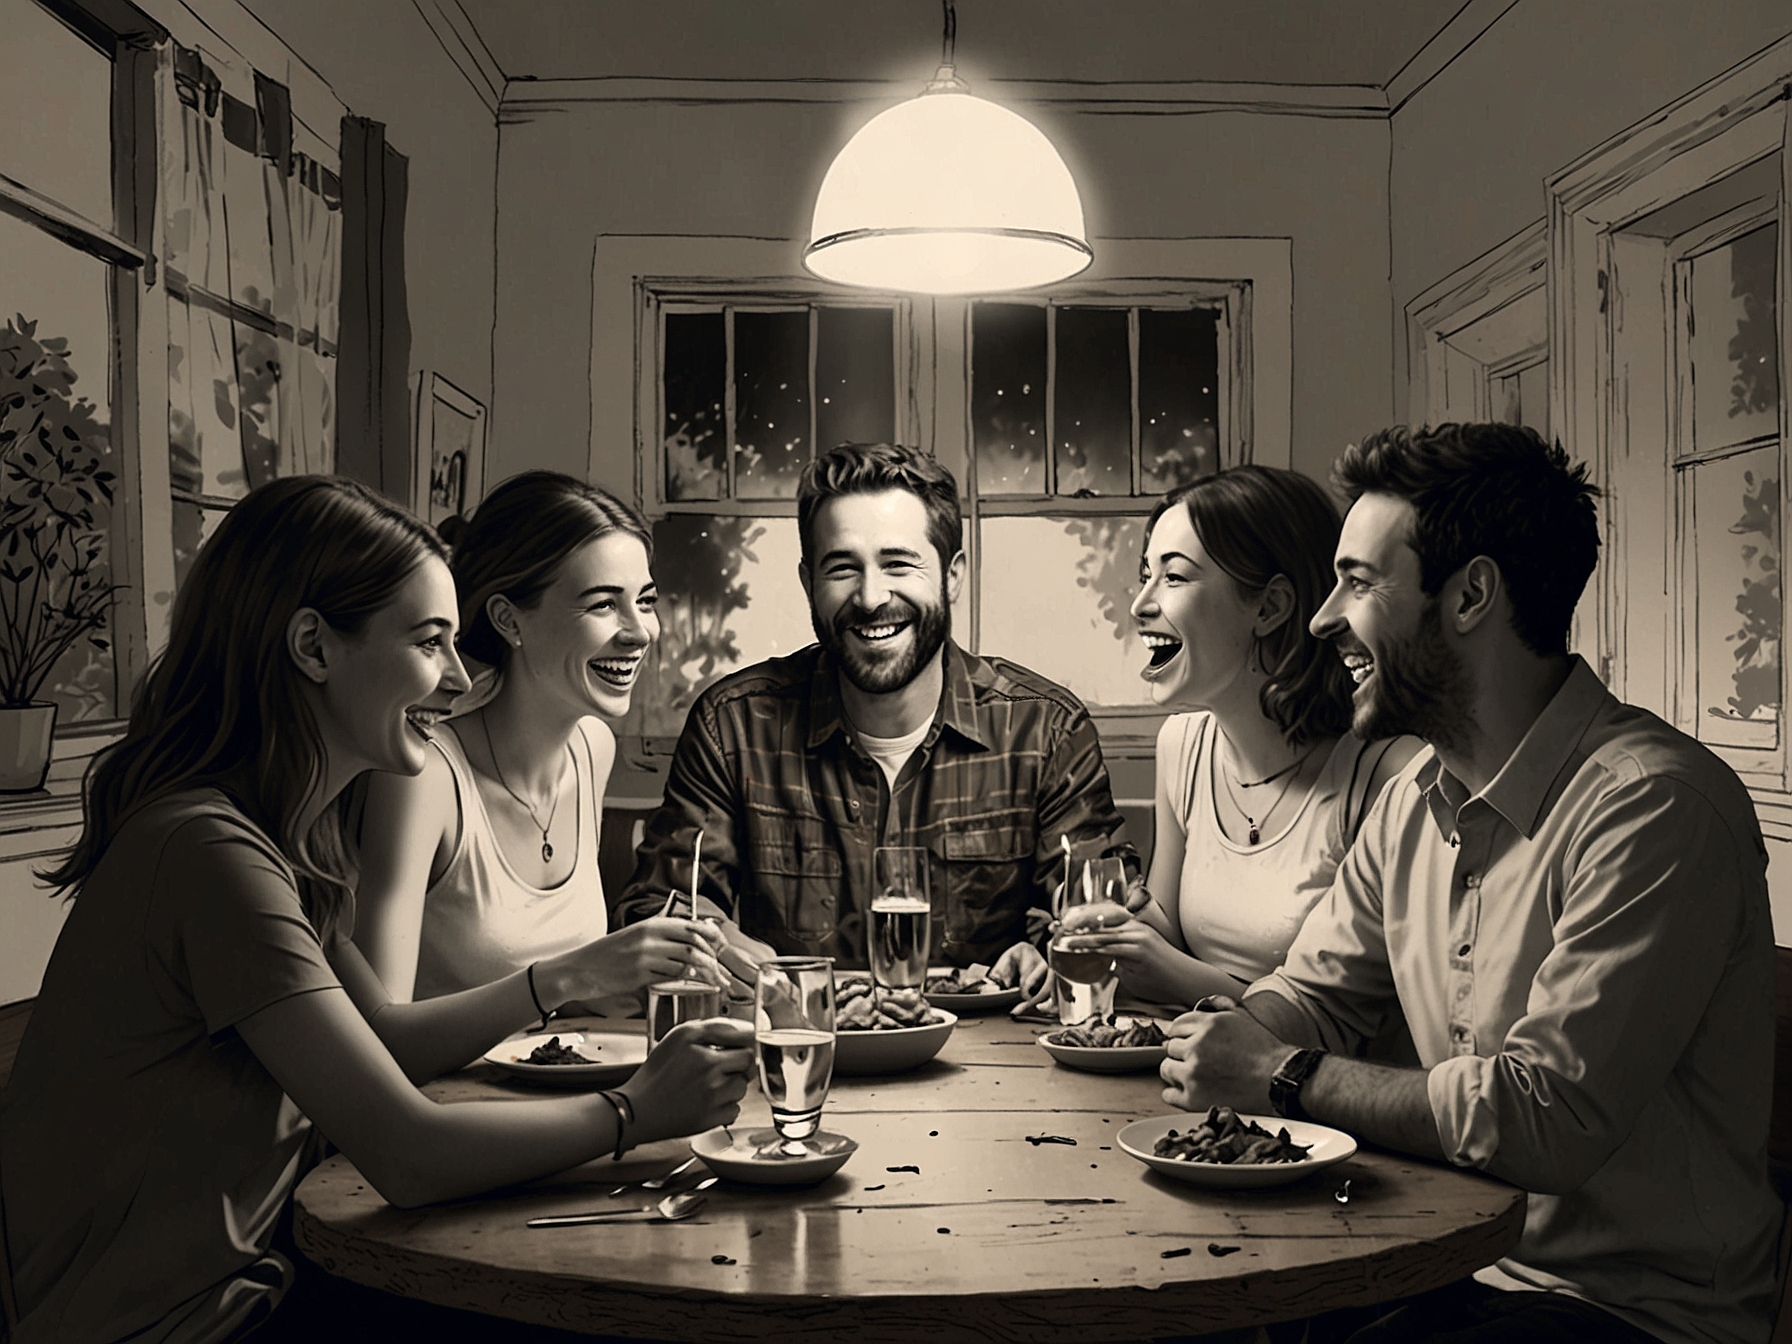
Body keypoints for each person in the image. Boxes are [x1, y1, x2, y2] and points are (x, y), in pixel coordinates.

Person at [0, 477, 753, 1344]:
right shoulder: (209, 856)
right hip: (189, 1320)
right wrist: (638, 1112)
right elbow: (408, 1156)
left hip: (276, 1274)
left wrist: (576, 992)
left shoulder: (280, 845)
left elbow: (383, 1039)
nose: (460, 677)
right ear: (314, 647)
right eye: (431, 642)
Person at [1159, 424, 1780, 1344]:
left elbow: (1544, 1118)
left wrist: (1281, 1073)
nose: (1325, 619)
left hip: (1625, 1312)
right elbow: (1312, 994)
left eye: (1360, 584)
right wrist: (1216, 1042)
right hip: (1446, 1260)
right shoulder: (1415, 795)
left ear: (1470, 596)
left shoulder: (1653, 808)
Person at [615, 442, 1137, 998]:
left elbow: (1100, 913)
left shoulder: (1045, 731)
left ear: (952, 575)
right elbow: (659, 908)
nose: (869, 597)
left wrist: (1044, 947)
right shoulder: (733, 727)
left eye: (898, 564)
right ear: (807, 581)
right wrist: (712, 939)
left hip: (994, 1063)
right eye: (842, 568)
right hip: (796, 1051)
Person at [350, 471, 723, 1013]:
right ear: (508, 619)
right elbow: (376, 1037)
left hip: (563, 1085)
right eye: (602, 605)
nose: (640, 631)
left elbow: (548, 1003)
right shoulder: (422, 778)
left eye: (644, 601)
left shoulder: (593, 746)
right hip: (444, 1098)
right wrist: (572, 978)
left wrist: (624, 987)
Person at [1055, 466, 1418, 1009]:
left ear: (1270, 607)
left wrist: (1173, 974)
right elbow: (1169, 927)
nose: (1140, 605)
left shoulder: (1388, 775)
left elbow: (1358, 1023)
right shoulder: (1183, 746)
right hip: (1195, 1077)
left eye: (1174, 578)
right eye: (1144, 574)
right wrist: (1112, 931)